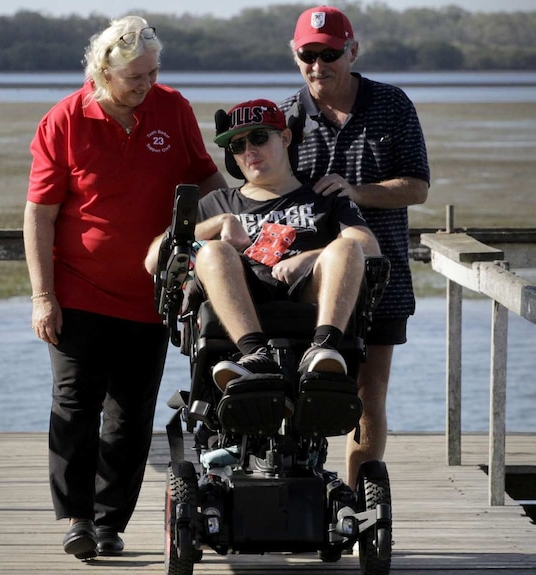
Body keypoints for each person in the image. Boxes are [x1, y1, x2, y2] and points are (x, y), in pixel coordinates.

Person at [23, 15, 226, 561]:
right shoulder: (64, 120)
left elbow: (206, 178)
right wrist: (43, 296)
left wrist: (242, 217)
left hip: (153, 293)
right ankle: (75, 519)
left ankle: (110, 523)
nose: (146, 85)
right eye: (136, 77)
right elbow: (39, 216)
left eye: (153, 73)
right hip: (79, 290)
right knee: (74, 404)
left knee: (131, 414)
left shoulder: (172, 108)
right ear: (103, 72)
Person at [280, 5, 431, 488]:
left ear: (353, 51)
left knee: (369, 395)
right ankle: (294, 497)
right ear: (294, 54)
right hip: (305, 284)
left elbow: (417, 186)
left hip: (381, 281)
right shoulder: (285, 118)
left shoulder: (392, 103)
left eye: (330, 54)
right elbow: (264, 198)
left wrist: (355, 191)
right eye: (308, 54)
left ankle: (358, 505)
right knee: (293, 391)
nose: (318, 65)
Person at [147, 99, 380, 392]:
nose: (249, 151)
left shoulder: (324, 196)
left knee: (346, 247)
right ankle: (255, 354)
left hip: (308, 290)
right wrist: (219, 223)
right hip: (244, 288)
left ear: (284, 138)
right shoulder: (219, 202)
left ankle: (323, 349)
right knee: (213, 251)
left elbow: (368, 246)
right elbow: (153, 261)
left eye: (258, 138)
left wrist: (309, 257)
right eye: (237, 146)